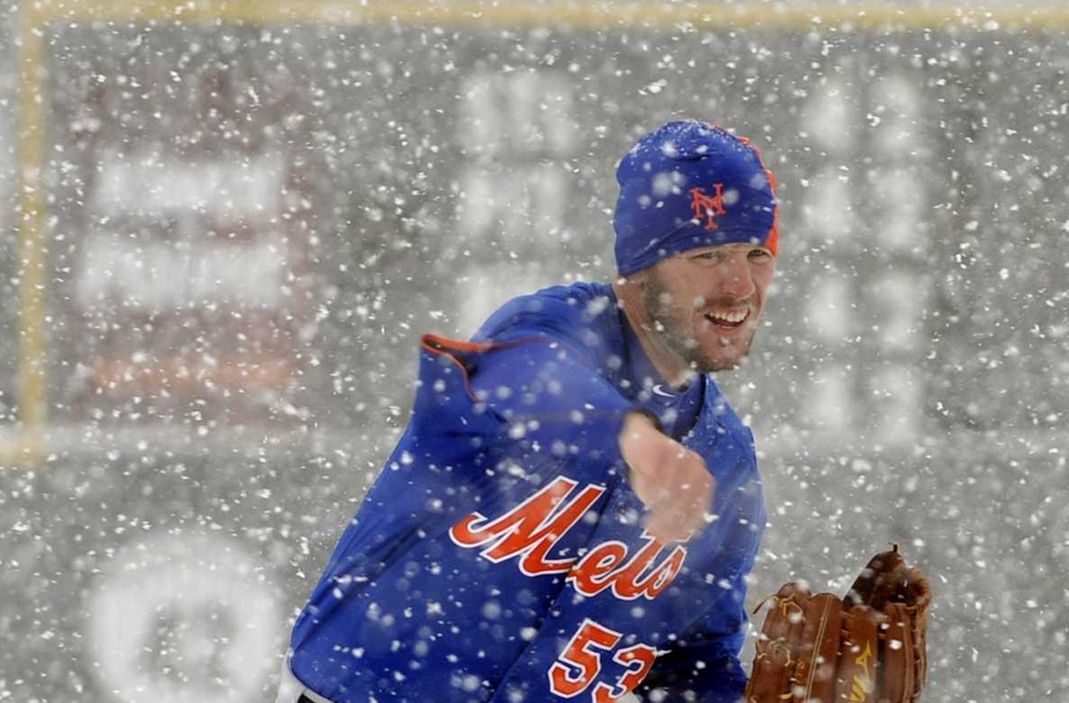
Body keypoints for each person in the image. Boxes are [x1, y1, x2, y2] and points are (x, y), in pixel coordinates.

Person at [278, 119, 780, 703]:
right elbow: (517, 378)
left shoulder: (726, 458)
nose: (741, 286)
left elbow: (690, 661)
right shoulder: (553, 331)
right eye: (708, 254)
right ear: (641, 268)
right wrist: (631, 438)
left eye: (756, 253)